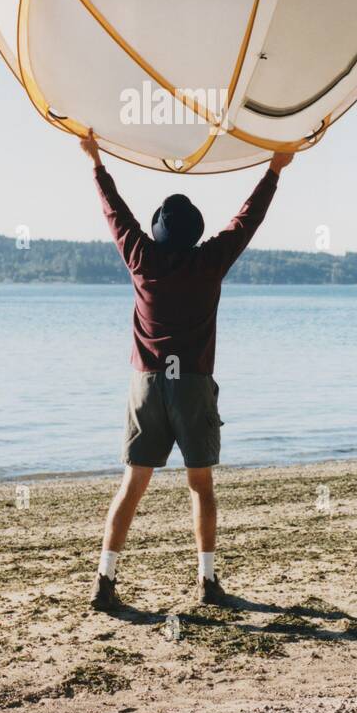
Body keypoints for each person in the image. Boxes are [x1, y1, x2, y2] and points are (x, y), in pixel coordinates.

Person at [80, 129, 293, 611]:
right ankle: (207, 581)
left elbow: (116, 213)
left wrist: (96, 161)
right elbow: (247, 220)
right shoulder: (209, 262)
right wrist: (274, 169)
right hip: (192, 386)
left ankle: (105, 581)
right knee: (201, 486)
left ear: (157, 231)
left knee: (132, 485)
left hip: (147, 385)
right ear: (195, 232)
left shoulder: (141, 259)